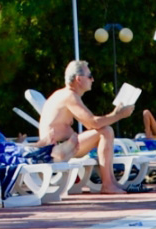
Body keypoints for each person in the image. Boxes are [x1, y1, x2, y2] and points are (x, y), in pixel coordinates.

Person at [36, 60, 134, 194]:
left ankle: (111, 182)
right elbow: (92, 123)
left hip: (60, 146)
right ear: (79, 79)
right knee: (105, 132)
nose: (93, 80)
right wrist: (118, 115)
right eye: (90, 76)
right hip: (56, 150)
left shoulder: (63, 94)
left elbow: (91, 123)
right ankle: (108, 184)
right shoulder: (69, 96)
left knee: (104, 131)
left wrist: (115, 114)